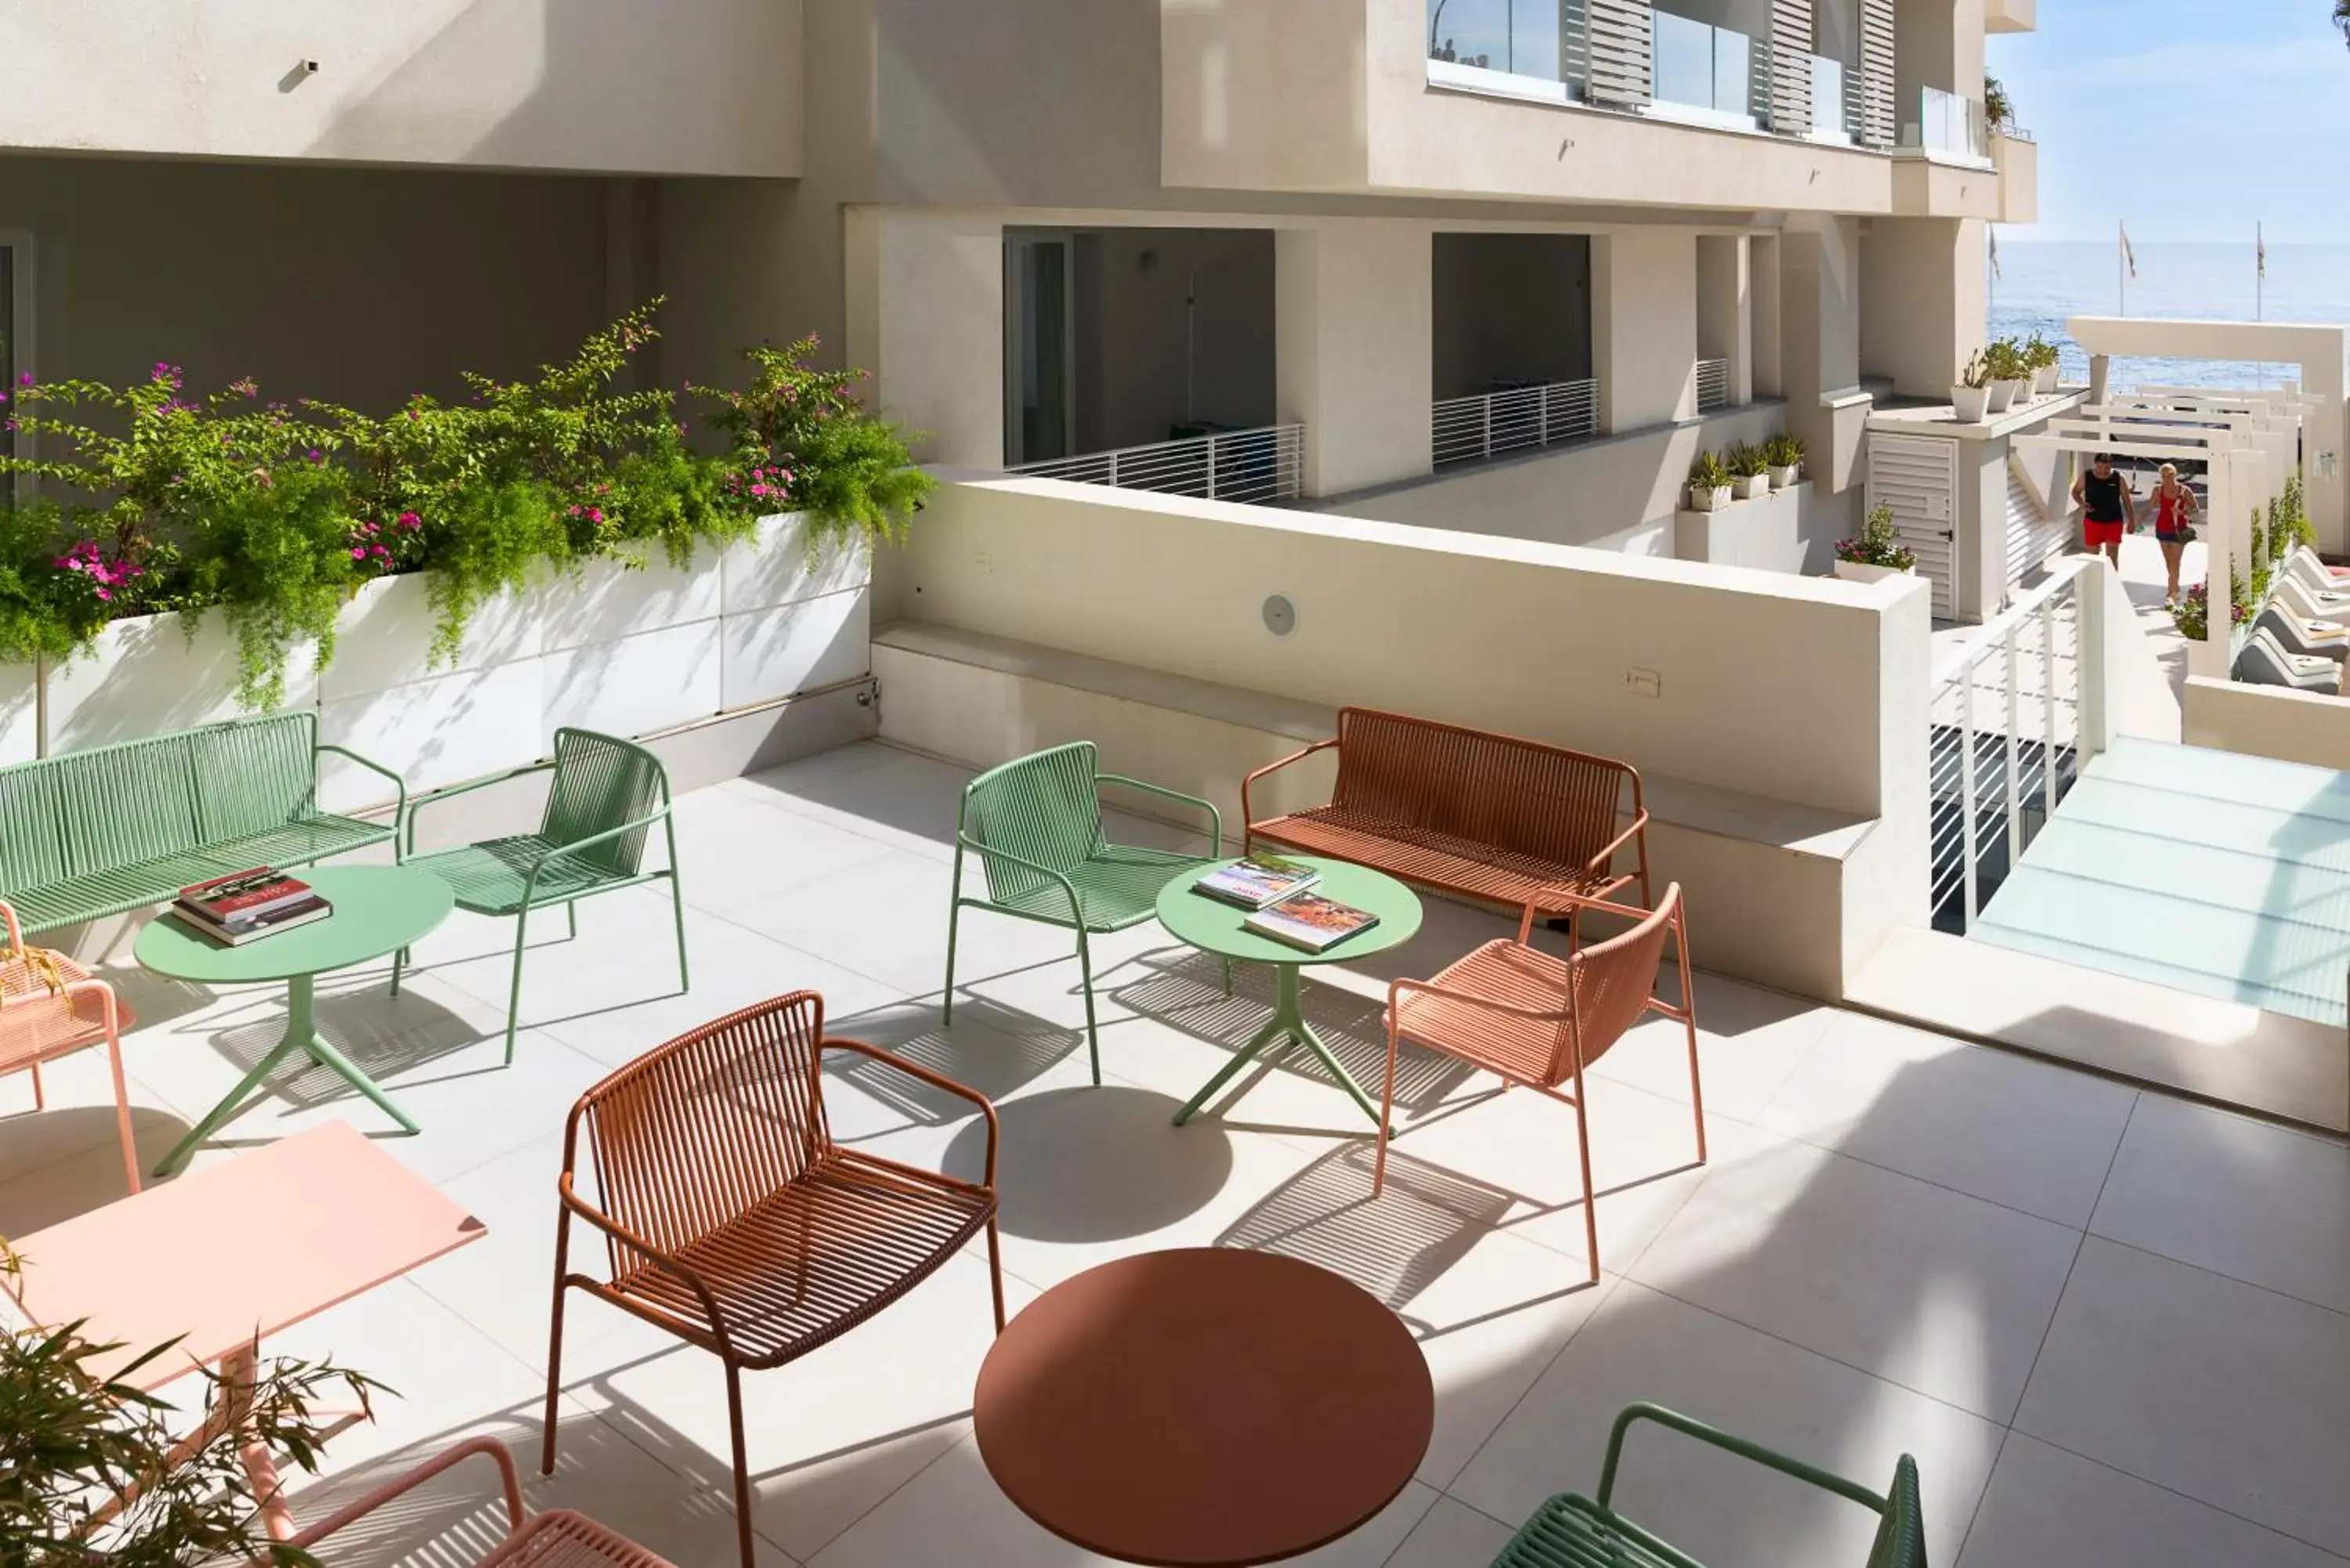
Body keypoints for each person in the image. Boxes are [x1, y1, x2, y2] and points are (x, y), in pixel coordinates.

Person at [2072, 453, 2135, 570]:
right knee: (2092, 557)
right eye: (2100, 467)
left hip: (2114, 522)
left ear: (2111, 466)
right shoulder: (2087, 476)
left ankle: (2112, 585)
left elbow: (2127, 501)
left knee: (2112, 556)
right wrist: (2081, 504)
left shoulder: (2119, 478)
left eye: (2107, 468)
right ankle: (2094, 586)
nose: (2103, 471)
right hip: (2092, 522)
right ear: (2095, 464)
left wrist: (2132, 521)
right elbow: (2075, 492)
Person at [2152, 462, 2197, 604]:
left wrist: (2183, 511)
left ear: (2175, 475)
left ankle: (2171, 593)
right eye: (2164, 476)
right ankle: (2175, 586)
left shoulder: (2184, 490)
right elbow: (2150, 506)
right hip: (2162, 528)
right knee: (2168, 560)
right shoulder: (2158, 490)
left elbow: (2195, 509)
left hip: (2179, 530)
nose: (2167, 478)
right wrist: (2137, 520)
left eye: (2170, 475)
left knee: (2175, 561)